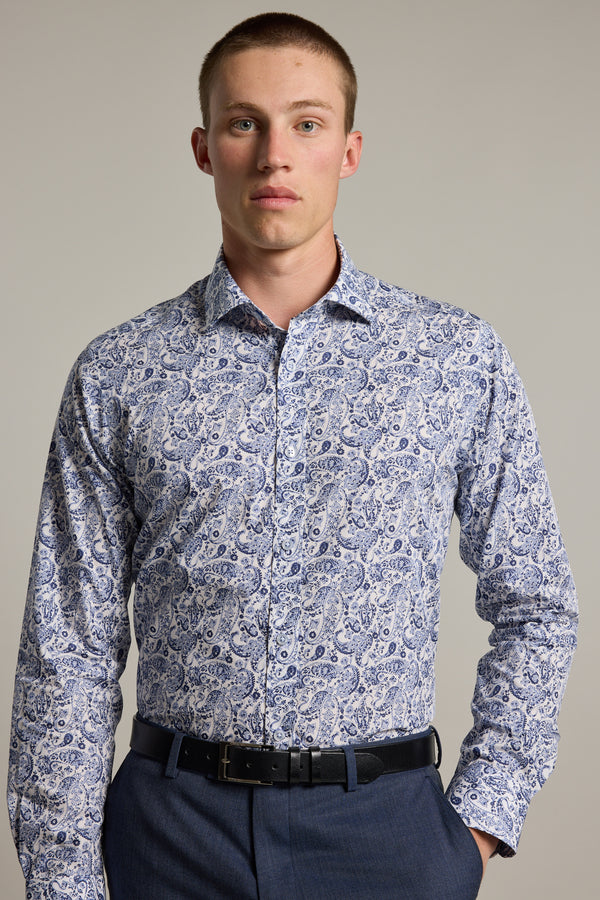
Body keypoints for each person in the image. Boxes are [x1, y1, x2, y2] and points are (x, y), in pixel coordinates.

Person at [7, 12, 577, 900]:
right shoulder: (119, 372)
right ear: (205, 148)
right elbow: (68, 647)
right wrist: (62, 879)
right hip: (170, 838)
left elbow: (538, 603)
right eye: (245, 123)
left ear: (348, 150)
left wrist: (473, 831)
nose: (275, 154)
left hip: (388, 837)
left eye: (306, 124)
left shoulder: (455, 358)